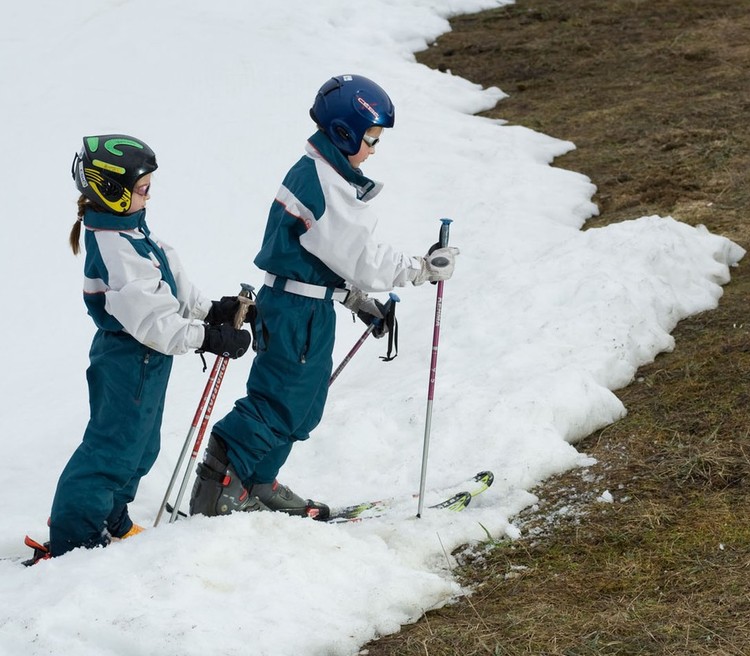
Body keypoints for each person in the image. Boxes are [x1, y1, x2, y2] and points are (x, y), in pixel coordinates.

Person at [189, 74, 458, 520]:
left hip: (309, 306)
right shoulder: (323, 182)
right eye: (371, 138)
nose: (374, 149)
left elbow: (325, 253)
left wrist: (354, 299)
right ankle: (218, 488)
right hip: (296, 311)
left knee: (304, 407)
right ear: (344, 132)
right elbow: (363, 258)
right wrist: (423, 268)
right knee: (279, 402)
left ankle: (257, 481)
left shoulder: (325, 174)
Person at [48, 134, 254, 557]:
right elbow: (155, 323)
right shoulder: (115, 248)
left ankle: (111, 517)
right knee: (112, 448)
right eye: (143, 189)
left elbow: (170, 288)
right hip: (127, 358)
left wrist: (212, 310)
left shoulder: (133, 233)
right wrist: (209, 338)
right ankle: (75, 536)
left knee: (141, 447)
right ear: (111, 192)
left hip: (147, 359)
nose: (149, 195)